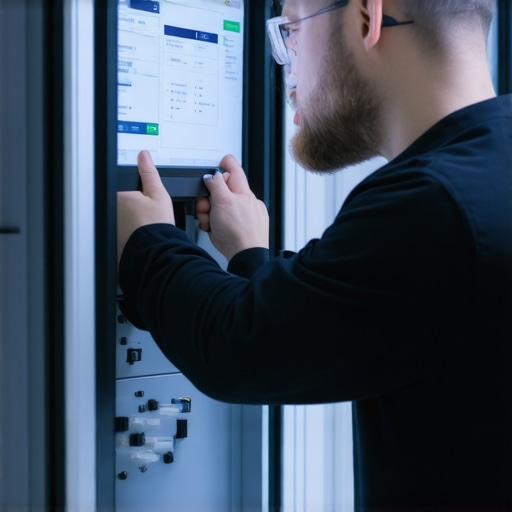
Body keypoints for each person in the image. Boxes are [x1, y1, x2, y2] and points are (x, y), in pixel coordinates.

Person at [117, 0, 512, 509]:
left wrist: (147, 241)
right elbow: (360, 314)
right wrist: (251, 258)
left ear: (368, 18)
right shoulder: (485, 173)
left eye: (292, 29)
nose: (288, 63)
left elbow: (236, 349)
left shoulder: (432, 203)